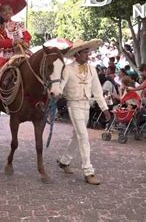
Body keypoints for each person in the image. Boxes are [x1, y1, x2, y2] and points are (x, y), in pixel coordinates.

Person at [57, 39, 112, 185]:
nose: (88, 55)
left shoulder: (92, 69)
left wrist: (104, 108)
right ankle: (88, 171)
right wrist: (54, 93)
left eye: (88, 52)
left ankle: (64, 161)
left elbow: (97, 90)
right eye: (85, 52)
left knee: (77, 136)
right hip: (73, 104)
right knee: (83, 136)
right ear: (77, 54)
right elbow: (60, 87)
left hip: (86, 105)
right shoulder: (67, 69)